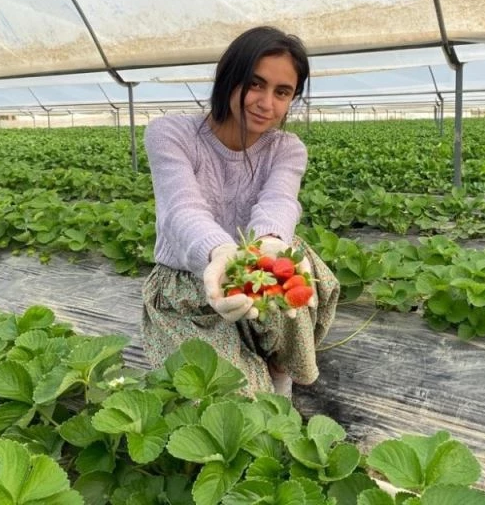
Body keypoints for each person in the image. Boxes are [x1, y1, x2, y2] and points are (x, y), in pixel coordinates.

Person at [141, 26, 339, 398]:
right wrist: (219, 252)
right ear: (228, 79)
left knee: (288, 271)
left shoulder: (287, 148)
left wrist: (267, 246)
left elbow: (279, 201)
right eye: (255, 84)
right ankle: (253, 373)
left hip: (256, 264)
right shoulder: (170, 134)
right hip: (191, 278)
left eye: (282, 92)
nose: (267, 102)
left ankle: (279, 367)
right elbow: (181, 207)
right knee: (234, 396)